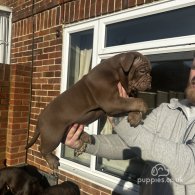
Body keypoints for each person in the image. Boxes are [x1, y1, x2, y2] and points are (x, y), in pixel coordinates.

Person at [65, 58, 195, 195]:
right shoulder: (167, 110)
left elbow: (187, 165)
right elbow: (129, 144)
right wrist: (84, 143)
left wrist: (119, 119)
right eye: (194, 67)